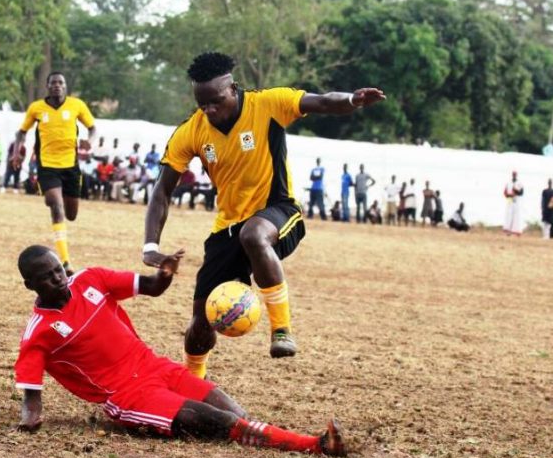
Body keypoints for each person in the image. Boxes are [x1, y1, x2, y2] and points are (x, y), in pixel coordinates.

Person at [142, 52, 385, 376]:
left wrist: (352, 100)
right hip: (226, 227)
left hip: (279, 211)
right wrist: (150, 247)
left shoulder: (268, 104)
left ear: (233, 88)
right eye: (203, 105)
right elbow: (162, 191)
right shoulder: (191, 131)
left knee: (253, 235)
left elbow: (324, 102)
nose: (210, 111)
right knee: (200, 322)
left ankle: (281, 329)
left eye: (216, 101)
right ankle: (192, 384)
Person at [13, 245, 346, 458]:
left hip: (157, 367)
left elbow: (152, 287)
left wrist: (165, 272)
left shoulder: (90, 279)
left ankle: (284, 439)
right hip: (129, 396)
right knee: (223, 422)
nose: (59, 279)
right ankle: (314, 445)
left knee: (236, 412)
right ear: (30, 285)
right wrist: (31, 417)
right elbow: (31, 392)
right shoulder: (39, 332)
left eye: (59, 269)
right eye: (47, 277)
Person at [13, 71, 97, 276]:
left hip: (71, 166)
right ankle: (66, 262)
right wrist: (17, 152)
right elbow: (21, 132)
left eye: (61, 83)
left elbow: (93, 128)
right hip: (47, 165)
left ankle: (56, 198)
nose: (57, 86)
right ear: (47, 86)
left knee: (71, 214)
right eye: (53, 83)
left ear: (65, 86)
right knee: (56, 205)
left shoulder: (77, 105)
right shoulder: (37, 108)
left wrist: (90, 142)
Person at [503, 171, 524, 236]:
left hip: (517, 201)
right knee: (509, 215)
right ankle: (508, 231)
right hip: (510, 200)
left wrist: (516, 191)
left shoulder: (519, 183)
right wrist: (509, 195)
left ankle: (516, 231)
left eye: (515, 174)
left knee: (517, 216)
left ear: (516, 175)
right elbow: (505, 192)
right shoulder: (508, 183)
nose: (514, 175)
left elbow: (521, 193)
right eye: (513, 174)